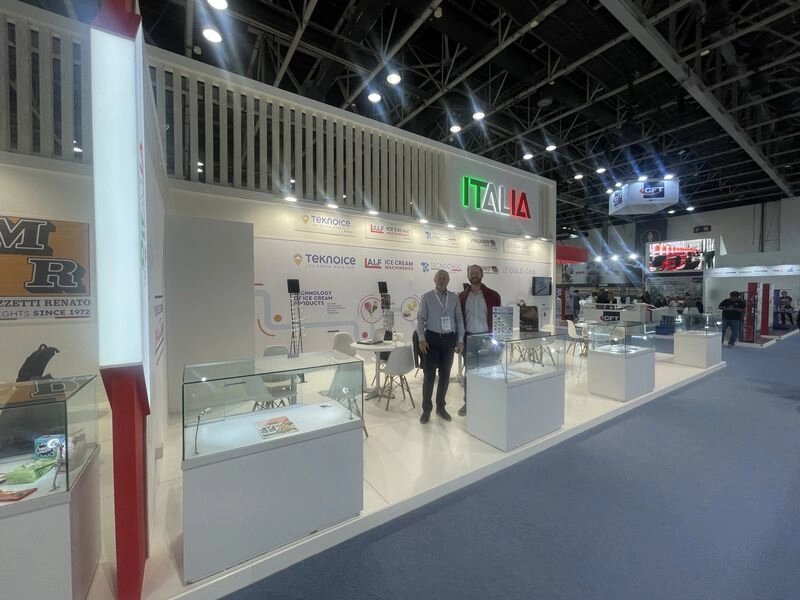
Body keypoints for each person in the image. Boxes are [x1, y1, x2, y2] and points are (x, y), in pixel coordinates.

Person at [416, 270, 464, 423]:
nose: (442, 280)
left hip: (449, 340)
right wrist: (421, 340)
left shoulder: (454, 298)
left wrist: (460, 340)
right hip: (431, 340)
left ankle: (441, 407)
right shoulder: (427, 297)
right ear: (434, 279)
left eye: (445, 278)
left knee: (445, 376)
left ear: (448, 280)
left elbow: (459, 319)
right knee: (429, 377)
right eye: (439, 278)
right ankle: (426, 410)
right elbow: (420, 320)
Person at [457, 265, 501, 417]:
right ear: (467, 276)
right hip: (469, 339)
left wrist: (494, 339)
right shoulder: (461, 297)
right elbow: (458, 320)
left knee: (488, 372)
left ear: (482, 275)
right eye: (471, 273)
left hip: (487, 339)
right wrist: (459, 340)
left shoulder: (493, 295)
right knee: (470, 373)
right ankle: (469, 402)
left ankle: (488, 402)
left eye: (477, 273)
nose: (474, 275)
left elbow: (498, 319)